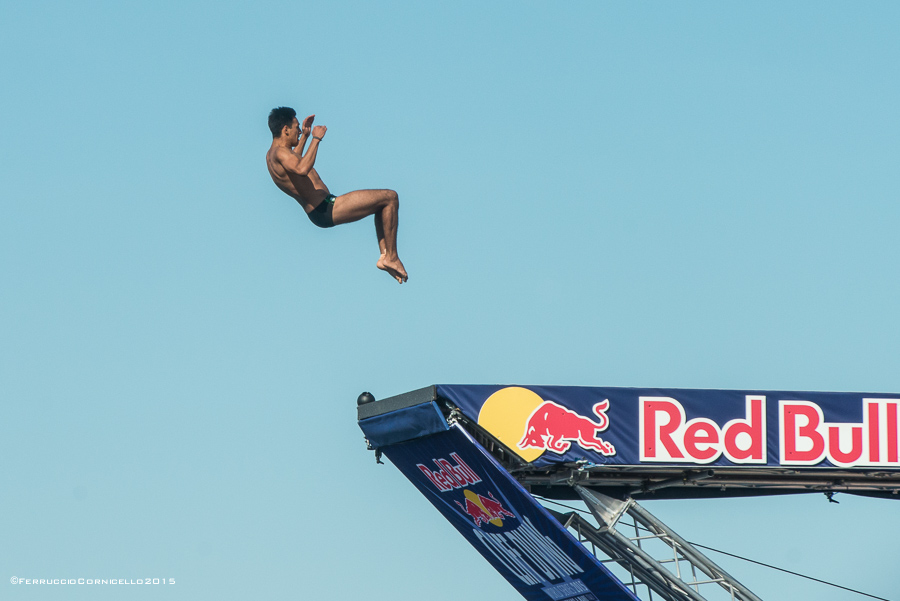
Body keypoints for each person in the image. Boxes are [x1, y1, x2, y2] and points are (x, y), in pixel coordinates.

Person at [265, 107, 408, 284]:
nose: (299, 130)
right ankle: (391, 257)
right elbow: (302, 168)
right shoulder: (280, 152)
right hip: (326, 207)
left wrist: (306, 136)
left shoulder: (274, 154)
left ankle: (386, 256)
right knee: (390, 197)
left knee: (382, 203)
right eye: (296, 128)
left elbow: (294, 160)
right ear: (285, 129)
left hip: (323, 208)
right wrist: (316, 139)